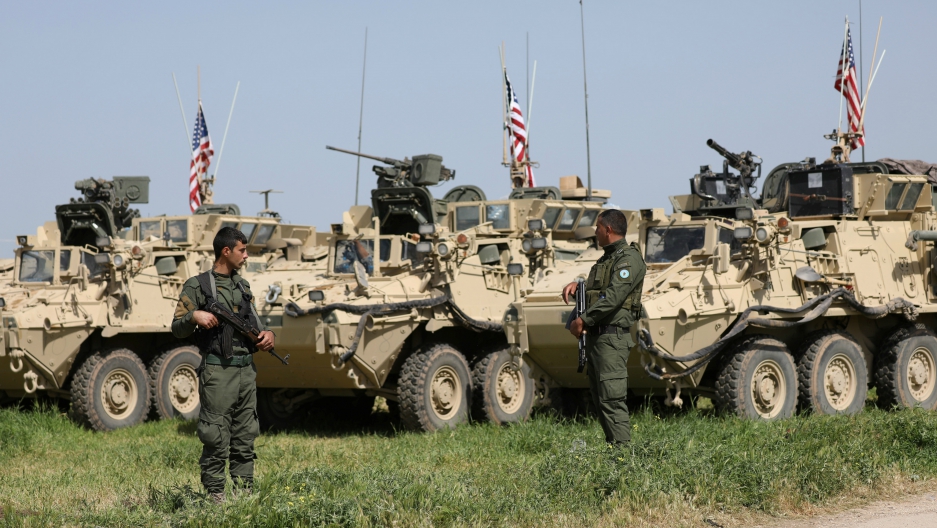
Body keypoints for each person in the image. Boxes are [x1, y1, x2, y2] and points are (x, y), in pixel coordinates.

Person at [171, 227, 275, 503]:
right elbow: (176, 327)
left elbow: (256, 324)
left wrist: (268, 334)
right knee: (215, 435)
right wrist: (194, 316)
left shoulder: (243, 286)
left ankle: (244, 492)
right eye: (242, 250)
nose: (246, 255)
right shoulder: (197, 285)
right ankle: (215, 495)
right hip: (218, 371)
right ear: (226, 251)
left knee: (245, 435)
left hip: (246, 371)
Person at [562, 209, 646, 445]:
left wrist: (583, 320)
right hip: (597, 340)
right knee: (600, 401)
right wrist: (579, 285)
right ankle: (614, 454)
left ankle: (623, 458)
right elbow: (598, 290)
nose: (595, 232)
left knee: (612, 401)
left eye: (597, 228)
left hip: (611, 340)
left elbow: (613, 297)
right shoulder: (607, 259)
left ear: (608, 229)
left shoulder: (628, 259)